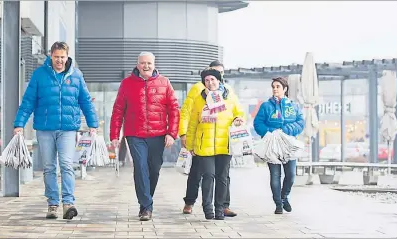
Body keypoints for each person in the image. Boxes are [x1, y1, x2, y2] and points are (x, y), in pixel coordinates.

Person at [13, 41, 98, 220]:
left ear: (67, 57)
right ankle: (53, 204)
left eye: (62, 57)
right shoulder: (39, 75)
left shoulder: (76, 75)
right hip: (45, 129)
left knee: (66, 165)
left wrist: (93, 124)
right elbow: (28, 101)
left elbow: (86, 102)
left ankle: (68, 203)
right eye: (56, 57)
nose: (59, 60)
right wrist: (19, 124)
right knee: (49, 167)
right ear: (50, 55)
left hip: (67, 129)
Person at [110, 52, 180, 221]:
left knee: (154, 169)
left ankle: (146, 201)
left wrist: (172, 133)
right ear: (137, 64)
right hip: (134, 134)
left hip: (158, 134)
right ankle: (146, 207)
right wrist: (114, 135)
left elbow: (174, 110)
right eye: (142, 63)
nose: (146, 66)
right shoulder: (127, 84)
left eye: (149, 63)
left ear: (154, 64)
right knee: (140, 167)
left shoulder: (164, 83)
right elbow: (118, 110)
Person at [179, 60, 238, 217]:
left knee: (222, 178)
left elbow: (239, 112)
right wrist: (187, 141)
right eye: (207, 79)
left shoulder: (229, 95)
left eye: (214, 78)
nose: (210, 82)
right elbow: (192, 122)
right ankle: (207, 209)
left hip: (224, 144)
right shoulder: (199, 97)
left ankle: (220, 209)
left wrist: (239, 119)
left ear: (219, 79)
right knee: (207, 176)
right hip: (204, 144)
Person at [252, 76, 304, 214]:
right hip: (272, 144)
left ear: (285, 89)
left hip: (289, 144)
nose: (275, 89)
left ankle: (284, 197)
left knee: (291, 175)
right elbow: (258, 123)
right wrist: (269, 132)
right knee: (275, 175)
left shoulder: (293, 106)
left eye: (278, 87)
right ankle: (278, 204)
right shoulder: (266, 106)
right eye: (273, 87)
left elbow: (300, 122)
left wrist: (286, 130)